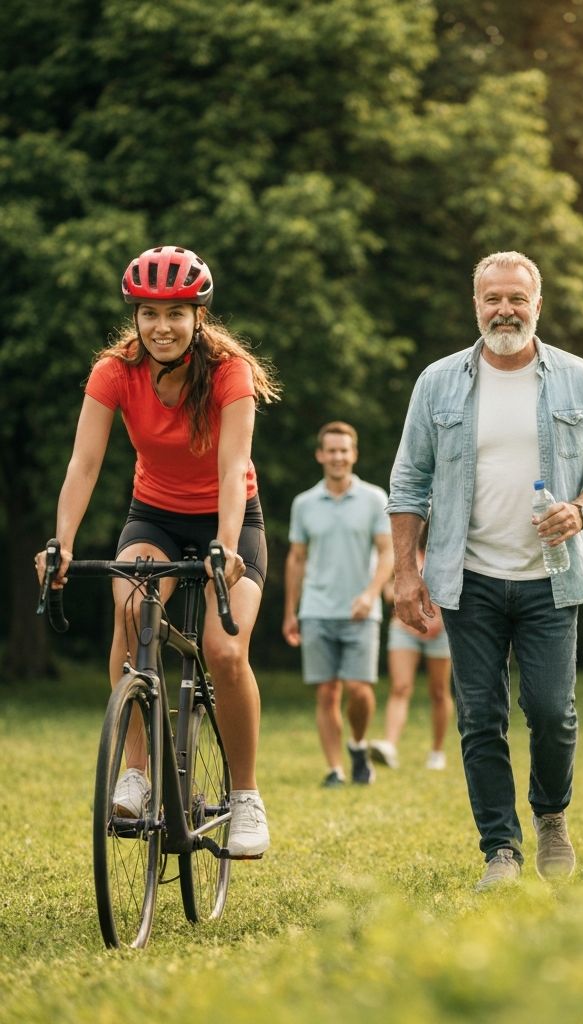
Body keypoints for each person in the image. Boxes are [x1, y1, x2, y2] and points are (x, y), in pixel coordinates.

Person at [388, 250, 583, 891]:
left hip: (553, 577)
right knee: (479, 717)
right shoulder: (438, 382)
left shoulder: (578, 378)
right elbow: (408, 480)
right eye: (493, 298)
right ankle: (501, 849)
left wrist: (581, 509)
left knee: (552, 712)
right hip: (468, 578)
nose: (505, 310)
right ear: (476, 305)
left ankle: (551, 816)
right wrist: (405, 572)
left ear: (537, 305)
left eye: (517, 299)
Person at [36, 245, 279, 857]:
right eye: (149, 314)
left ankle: (246, 796)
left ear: (199, 316)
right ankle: (138, 772)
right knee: (132, 613)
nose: (161, 327)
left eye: (175, 314)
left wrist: (226, 546)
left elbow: (232, 468)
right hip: (156, 518)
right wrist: (60, 542)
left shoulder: (229, 372)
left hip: (231, 519)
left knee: (225, 650)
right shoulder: (114, 371)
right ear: (135, 318)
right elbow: (84, 463)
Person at [283, 421, 393, 786]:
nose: (337, 456)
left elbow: (387, 551)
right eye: (331, 450)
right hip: (316, 610)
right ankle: (335, 770)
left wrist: (371, 593)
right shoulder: (304, 504)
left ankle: (358, 744)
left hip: (360, 611)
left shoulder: (375, 499)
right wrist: (291, 612)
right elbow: (297, 558)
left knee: (360, 691)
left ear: (354, 454)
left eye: (344, 450)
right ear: (320, 455)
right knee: (327, 692)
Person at [370, 524, 453, 772]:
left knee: (439, 691)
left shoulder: (448, 554)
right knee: (400, 687)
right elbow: (387, 590)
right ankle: (390, 746)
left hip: (441, 631)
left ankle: (437, 752)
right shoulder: (404, 556)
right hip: (404, 629)